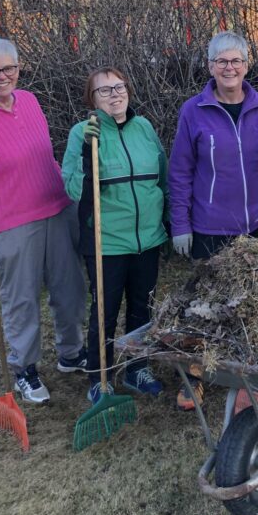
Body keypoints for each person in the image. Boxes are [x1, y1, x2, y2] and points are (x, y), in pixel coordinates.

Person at [0, 37, 86, 404]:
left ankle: (71, 353)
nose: (2, 76)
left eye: (8, 68)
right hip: (11, 223)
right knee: (21, 299)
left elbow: (44, 156)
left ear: (18, 69)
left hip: (57, 208)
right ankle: (25, 368)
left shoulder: (30, 101)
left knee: (70, 290)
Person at [168, 31, 258, 409]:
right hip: (210, 225)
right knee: (205, 306)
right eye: (221, 61)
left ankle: (252, 379)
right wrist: (181, 224)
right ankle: (196, 375)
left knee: (254, 302)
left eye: (236, 61)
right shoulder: (194, 111)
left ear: (246, 65)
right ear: (210, 67)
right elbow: (180, 172)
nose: (229, 67)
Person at [62, 67, 169, 405]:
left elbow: (162, 178)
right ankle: (101, 378)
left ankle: (138, 369)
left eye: (119, 87)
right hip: (106, 242)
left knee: (143, 309)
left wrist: (166, 220)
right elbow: (72, 188)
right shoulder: (82, 133)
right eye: (104, 90)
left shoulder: (144, 128)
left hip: (147, 240)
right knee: (105, 314)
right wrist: (86, 155)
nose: (114, 94)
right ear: (91, 100)